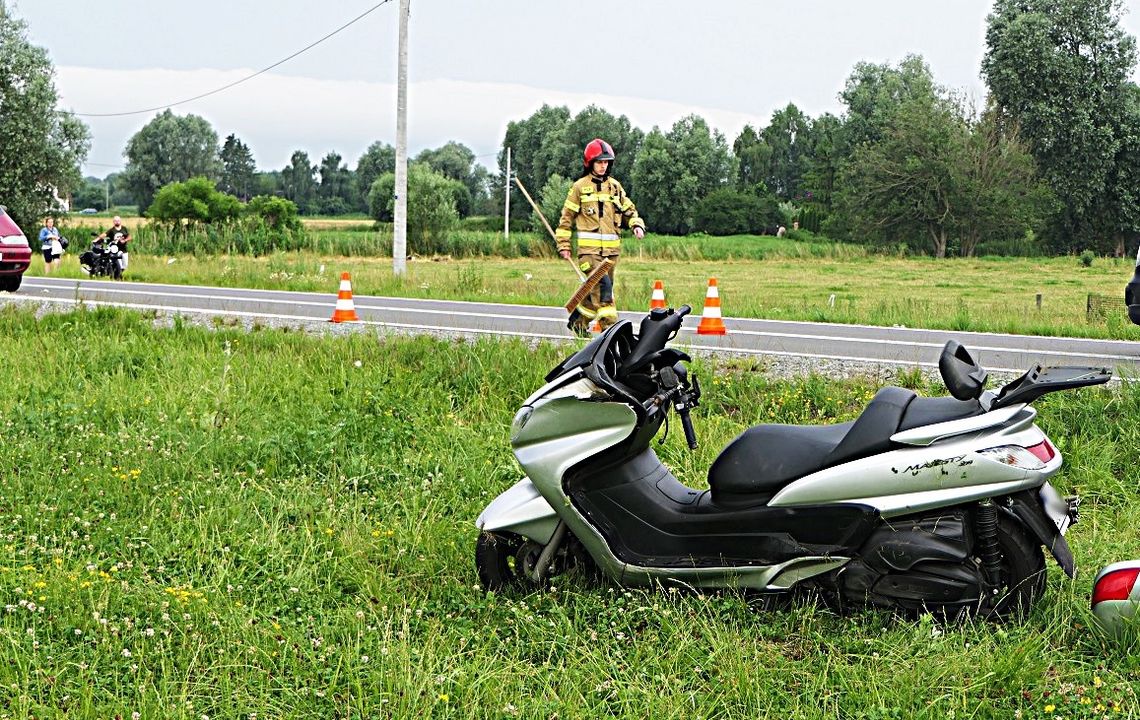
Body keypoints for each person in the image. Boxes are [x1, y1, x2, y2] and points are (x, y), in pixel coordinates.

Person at [555, 138, 646, 336]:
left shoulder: (615, 187)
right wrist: (563, 244)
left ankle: (578, 323)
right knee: (605, 291)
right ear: (590, 163)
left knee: (596, 290)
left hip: (611, 254)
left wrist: (636, 225)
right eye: (599, 162)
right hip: (589, 254)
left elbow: (630, 210)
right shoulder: (579, 187)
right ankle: (611, 332)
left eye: (606, 162)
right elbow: (566, 219)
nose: (603, 166)